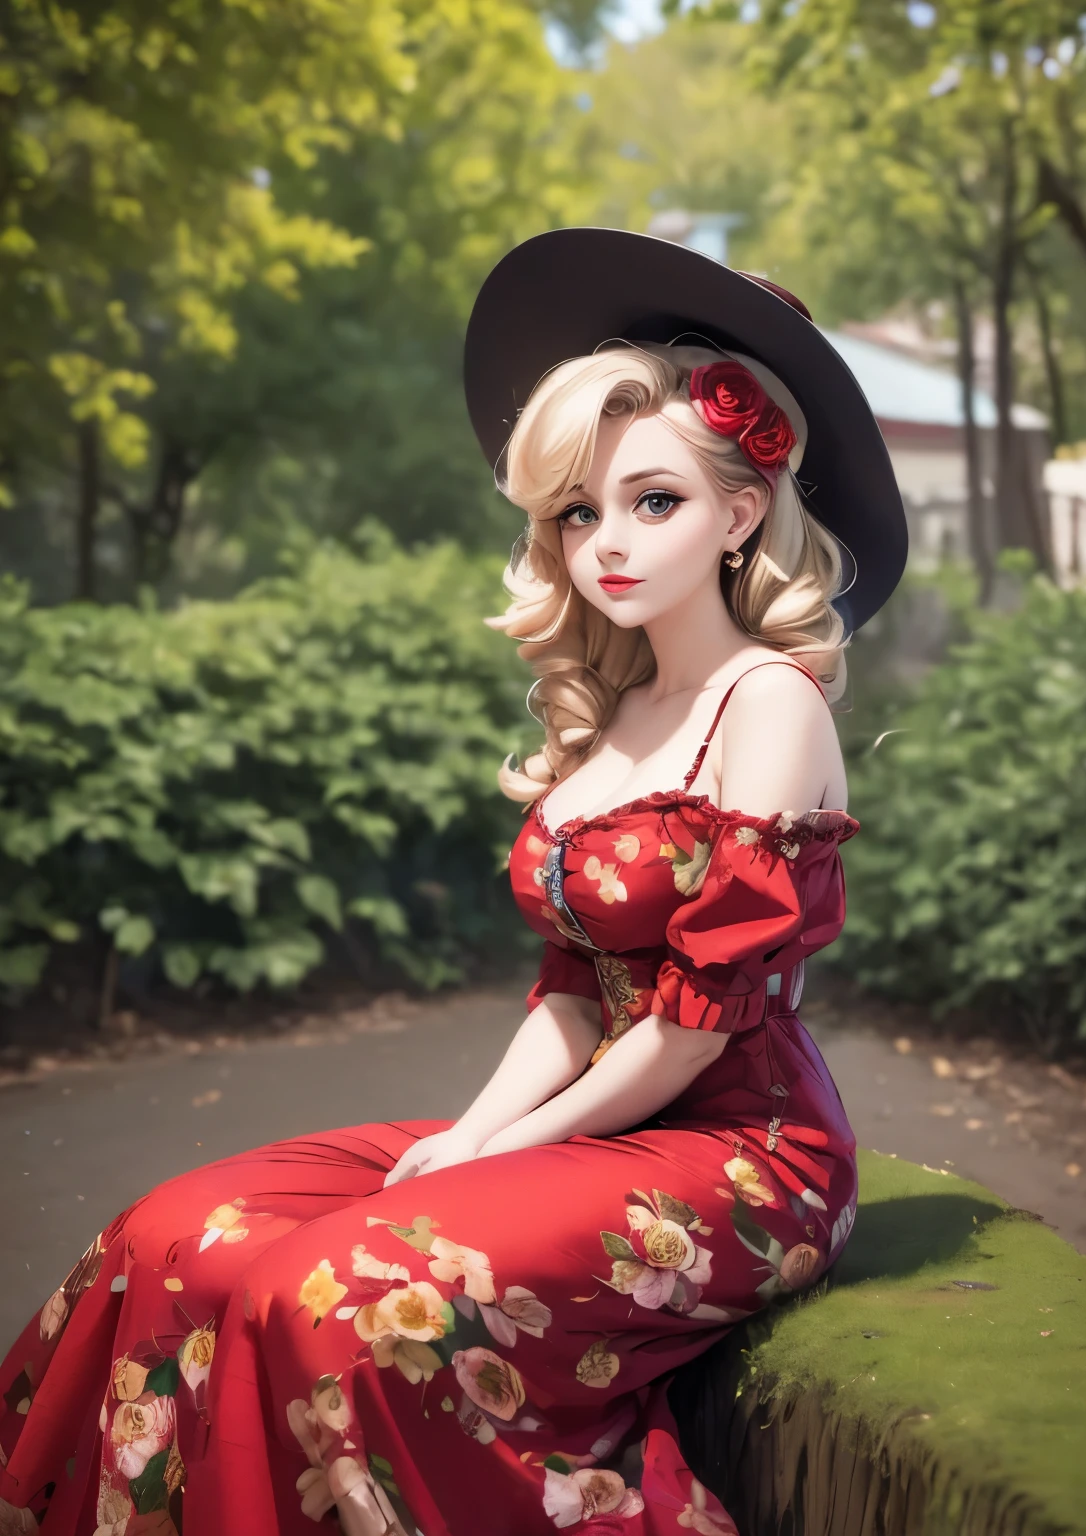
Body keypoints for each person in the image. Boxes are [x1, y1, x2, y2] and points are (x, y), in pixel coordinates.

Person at [0, 229, 906, 1536]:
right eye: (581, 510)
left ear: (741, 512)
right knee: (178, 1235)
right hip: (606, 1126)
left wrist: (500, 1150)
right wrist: (469, 1133)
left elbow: (695, 1019)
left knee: (331, 1294)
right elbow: (570, 992)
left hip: (743, 1151)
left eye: (655, 501)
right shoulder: (614, 709)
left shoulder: (769, 705)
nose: (608, 541)